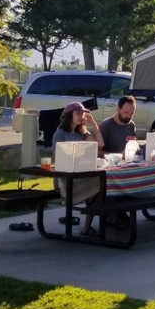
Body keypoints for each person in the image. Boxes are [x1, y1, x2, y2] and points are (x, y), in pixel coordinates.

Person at [51, 101, 106, 236]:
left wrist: (93, 124)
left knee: (102, 184)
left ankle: (87, 227)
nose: (81, 116)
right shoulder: (60, 134)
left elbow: (100, 144)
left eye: (83, 113)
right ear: (69, 115)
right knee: (99, 185)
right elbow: (58, 158)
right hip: (65, 178)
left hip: (81, 175)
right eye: (78, 113)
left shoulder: (82, 132)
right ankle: (89, 226)